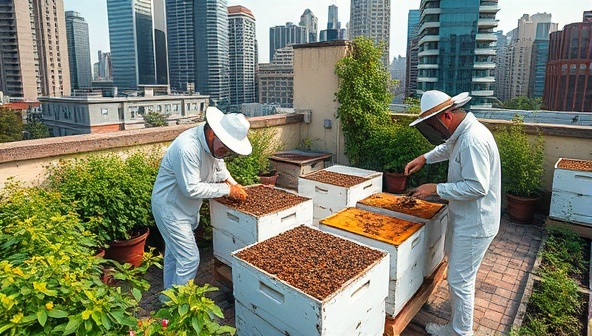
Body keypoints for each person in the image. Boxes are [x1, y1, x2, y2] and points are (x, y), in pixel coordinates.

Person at [404, 90, 501, 336]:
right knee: (460, 277)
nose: (434, 131)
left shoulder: (473, 140)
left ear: (446, 116)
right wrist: (424, 158)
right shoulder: (463, 135)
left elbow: (477, 187)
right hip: (466, 217)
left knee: (460, 281)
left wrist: (435, 188)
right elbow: (447, 148)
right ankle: (458, 326)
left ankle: (460, 331)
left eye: (433, 125)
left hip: (476, 223)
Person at [151, 106, 251, 293]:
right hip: (169, 208)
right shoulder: (187, 148)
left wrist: (235, 184)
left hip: (184, 208)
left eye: (229, 150)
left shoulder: (214, 147)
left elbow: (220, 167)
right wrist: (228, 190)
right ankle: (179, 310)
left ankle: (167, 300)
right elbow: (191, 188)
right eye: (225, 148)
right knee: (189, 258)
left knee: (174, 254)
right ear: (213, 132)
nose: (225, 153)